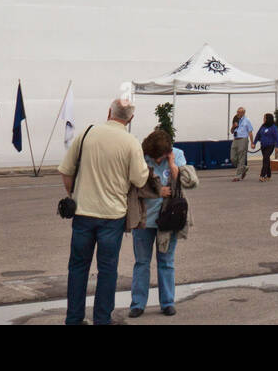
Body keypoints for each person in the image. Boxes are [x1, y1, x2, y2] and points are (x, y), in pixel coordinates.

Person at [58, 98, 149, 326]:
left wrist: (74, 194)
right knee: (107, 270)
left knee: (78, 267)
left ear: (109, 112)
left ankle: (74, 318)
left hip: (83, 213)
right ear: (131, 119)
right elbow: (139, 179)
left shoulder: (87, 133)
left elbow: (66, 171)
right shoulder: (130, 142)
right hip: (112, 216)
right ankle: (102, 319)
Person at [127, 128, 198, 318]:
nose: (156, 161)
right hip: (144, 220)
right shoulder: (142, 157)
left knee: (166, 262)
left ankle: (167, 302)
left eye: (160, 157)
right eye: (154, 157)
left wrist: (172, 163)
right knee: (141, 262)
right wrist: (157, 192)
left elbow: (186, 182)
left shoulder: (178, 155)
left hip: (169, 219)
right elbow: (134, 185)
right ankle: (138, 304)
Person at [229, 107, 254, 182]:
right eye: (237, 112)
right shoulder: (235, 119)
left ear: (243, 113)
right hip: (235, 139)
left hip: (243, 139)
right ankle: (244, 168)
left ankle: (237, 176)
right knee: (233, 158)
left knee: (241, 157)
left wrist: (252, 143)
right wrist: (233, 126)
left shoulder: (247, 120)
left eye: (239, 112)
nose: (237, 113)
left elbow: (250, 132)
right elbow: (232, 131)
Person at [253, 113, 278, 181]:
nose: (263, 119)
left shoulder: (273, 127)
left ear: (268, 119)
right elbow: (258, 134)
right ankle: (269, 175)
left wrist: (277, 147)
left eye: (264, 118)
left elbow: (277, 137)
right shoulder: (263, 126)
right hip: (263, 146)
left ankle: (262, 175)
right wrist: (254, 143)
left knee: (265, 159)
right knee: (266, 160)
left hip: (270, 146)